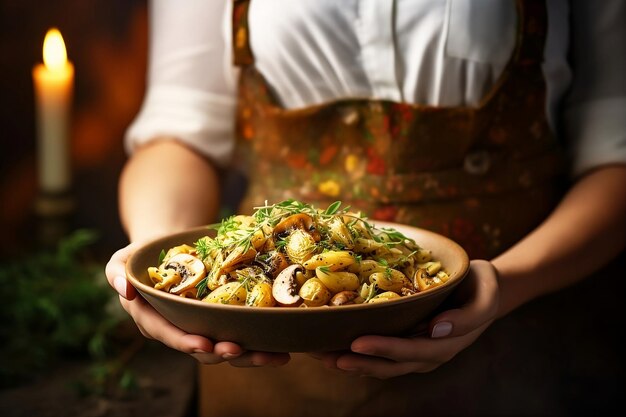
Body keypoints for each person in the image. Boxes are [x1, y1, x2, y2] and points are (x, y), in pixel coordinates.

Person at [106, 0, 626, 415]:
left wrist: (507, 283)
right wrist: (163, 272)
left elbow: (615, 155)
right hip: (264, 369)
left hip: (516, 338)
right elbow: (179, 135)